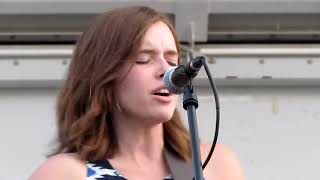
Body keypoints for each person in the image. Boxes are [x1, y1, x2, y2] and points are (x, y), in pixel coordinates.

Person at [30, 6, 245, 180]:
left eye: (172, 60)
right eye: (144, 59)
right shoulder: (65, 173)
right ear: (105, 74)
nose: (165, 70)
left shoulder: (215, 165)